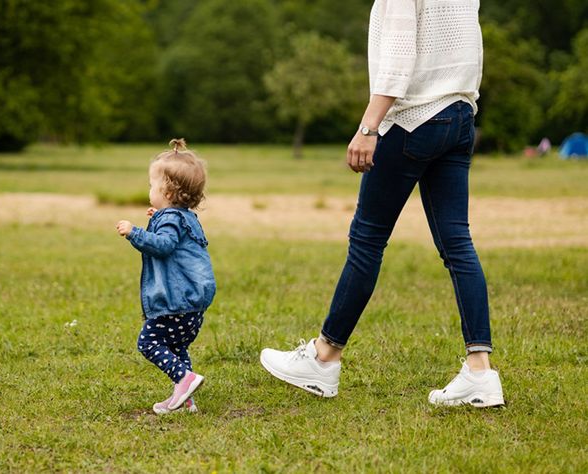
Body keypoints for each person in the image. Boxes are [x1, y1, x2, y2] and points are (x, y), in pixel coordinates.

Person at [260, 0, 505, 407]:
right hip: (460, 115)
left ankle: (323, 359)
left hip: (412, 120)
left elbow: (398, 54)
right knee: (458, 244)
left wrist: (368, 126)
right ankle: (480, 371)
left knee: (368, 240)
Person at [116, 139, 216, 414]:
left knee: (147, 342)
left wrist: (135, 232)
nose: (149, 190)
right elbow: (171, 234)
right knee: (176, 346)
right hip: (191, 305)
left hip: (177, 302)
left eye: (152, 185)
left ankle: (185, 379)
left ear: (169, 191)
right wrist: (158, 217)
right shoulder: (181, 216)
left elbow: (163, 245)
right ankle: (187, 400)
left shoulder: (171, 219)